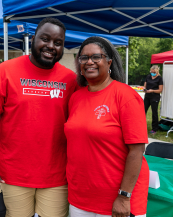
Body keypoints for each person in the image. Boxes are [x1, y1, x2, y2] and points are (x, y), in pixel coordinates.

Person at [0, 18, 78, 217]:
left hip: (56, 176)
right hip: (13, 175)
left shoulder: (71, 80)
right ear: (33, 39)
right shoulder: (5, 71)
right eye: (45, 39)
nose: (50, 46)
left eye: (58, 43)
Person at [64, 36, 149, 217]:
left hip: (117, 199)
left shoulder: (125, 96)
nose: (89, 62)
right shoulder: (76, 98)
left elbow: (136, 151)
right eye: (83, 58)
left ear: (109, 62)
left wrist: (124, 196)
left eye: (96, 57)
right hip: (81, 197)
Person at [143, 65, 163, 134]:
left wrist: (152, 91)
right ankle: (141, 126)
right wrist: (144, 89)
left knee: (154, 113)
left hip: (155, 97)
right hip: (147, 96)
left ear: (157, 72)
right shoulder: (148, 77)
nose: (152, 73)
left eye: (154, 72)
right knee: (142, 111)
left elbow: (160, 90)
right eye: (151, 72)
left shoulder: (159, 78)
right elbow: (145, 85)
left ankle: (154, 128)